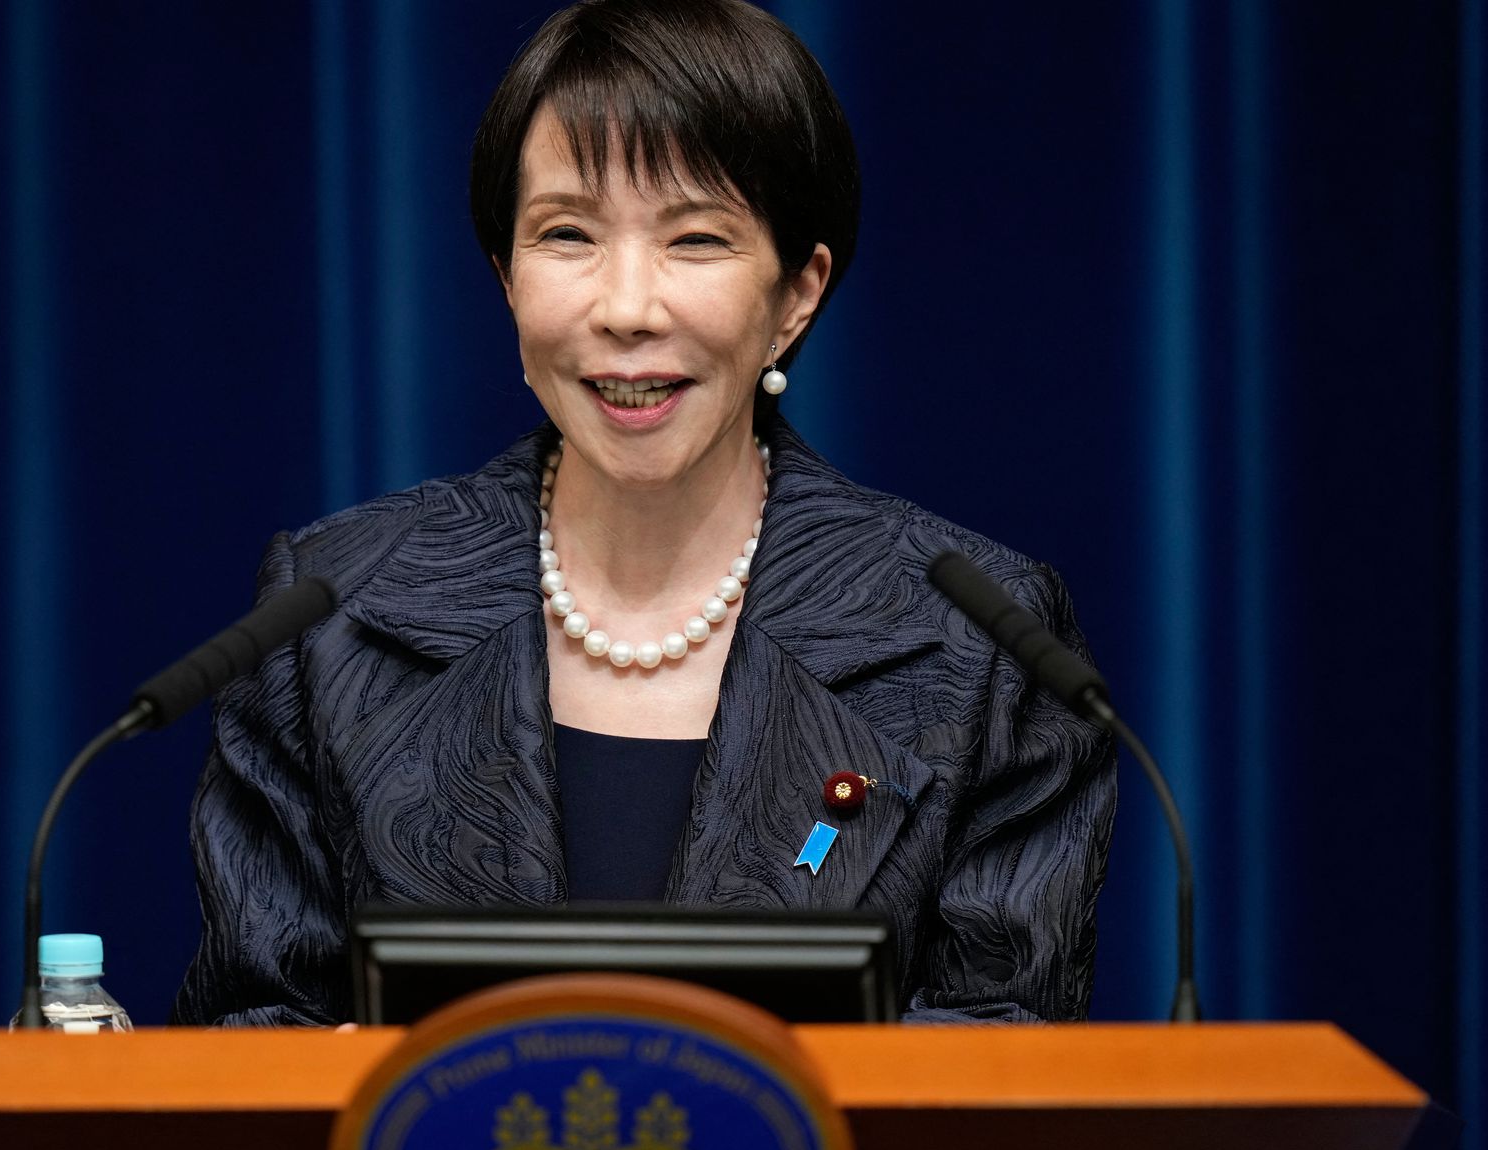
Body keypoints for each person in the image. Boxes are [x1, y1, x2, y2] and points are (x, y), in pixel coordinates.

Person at [174, 0, 1114, 1027]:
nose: (626, 306)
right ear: (506, 277)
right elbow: (248, 1038)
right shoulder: (330, 614)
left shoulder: (977, 645)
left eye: (695, 238)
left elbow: (1003, 1079)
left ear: (795, 296)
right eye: (566, 234)